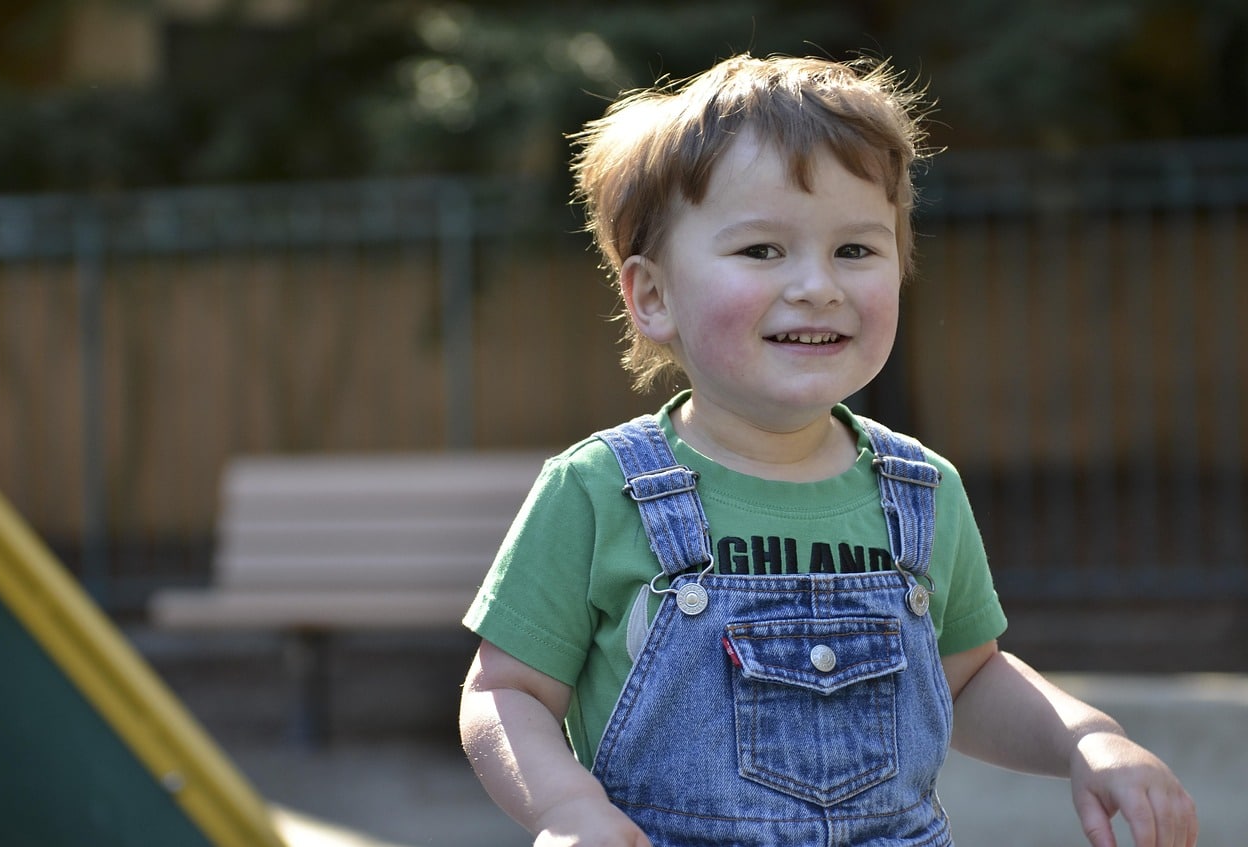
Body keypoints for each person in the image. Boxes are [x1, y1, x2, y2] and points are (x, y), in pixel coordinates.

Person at [458, 53, 1198, 847]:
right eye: (762, 251)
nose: (818, 285)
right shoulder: (600, 489)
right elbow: (506, 695)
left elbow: (972, 676)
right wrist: (567, 809)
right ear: (654, 296)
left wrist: (1089, 738)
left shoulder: (919, 490)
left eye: (855, 250)